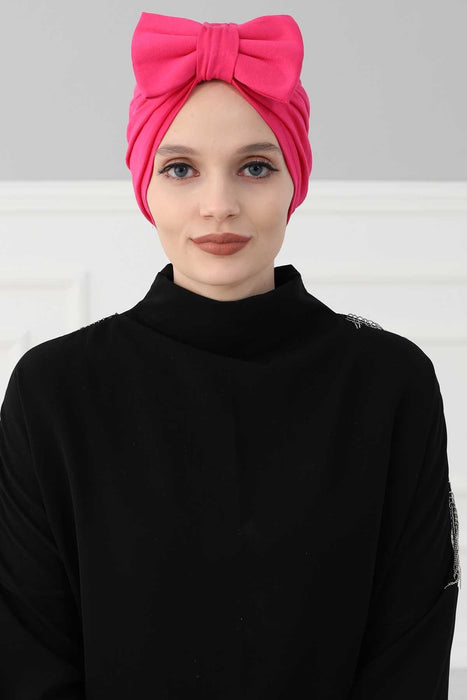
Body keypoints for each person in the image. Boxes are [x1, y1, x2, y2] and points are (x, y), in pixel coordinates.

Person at [0, 11, 461, 699]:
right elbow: (30, 660)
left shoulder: (392, 383)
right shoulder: (53, 391)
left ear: (293, 182)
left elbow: (407, 654)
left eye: (254, 167)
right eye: (181, 168)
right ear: (146, 189)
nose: (218, 204)